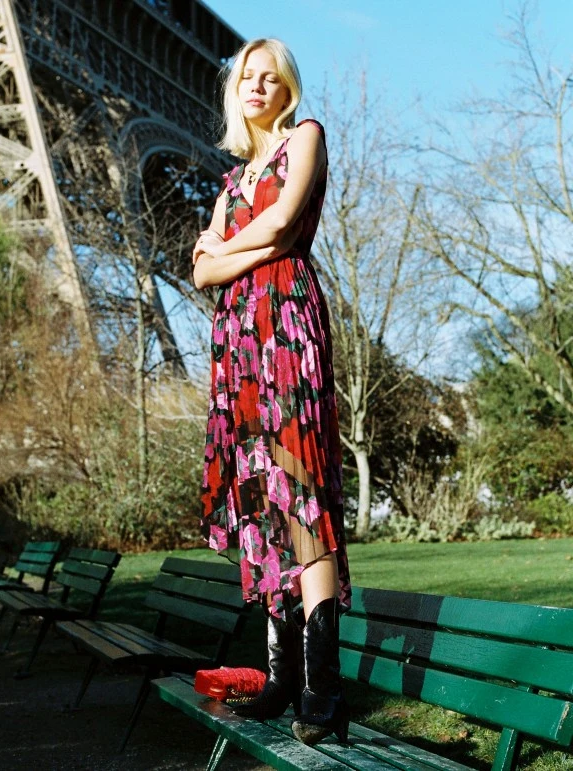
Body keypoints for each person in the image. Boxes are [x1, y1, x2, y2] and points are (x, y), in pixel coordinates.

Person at [192, 38, 351, 746]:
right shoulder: (230, 184)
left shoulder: (305, 138)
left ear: (288, 88)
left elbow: (286, 222)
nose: (256, 86)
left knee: (300, 486)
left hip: (284, 322)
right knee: (260, 496)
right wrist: (242, 252)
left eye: (269, 77)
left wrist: (226, 249)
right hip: (238, 343)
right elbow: (200, 276)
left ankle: (323, 686)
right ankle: (283, 677)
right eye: (246, 78)